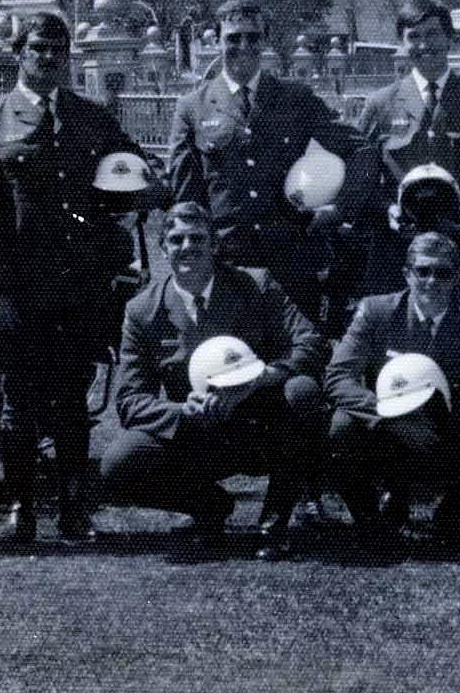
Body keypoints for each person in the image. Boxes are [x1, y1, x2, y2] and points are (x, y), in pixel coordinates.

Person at [0, 11, 145, 544]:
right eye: (37, 47)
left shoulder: (94, 119)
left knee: (71, 402)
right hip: (16, 290)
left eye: (57, 49)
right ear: (19, 53)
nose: (47, 57)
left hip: (80, 289)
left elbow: (129, 175)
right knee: (15, 403)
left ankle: (72, 508)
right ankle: (19, 507)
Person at [100, 202, 331, 560]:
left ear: (214, 246)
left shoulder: (255, 284)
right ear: (163, 249)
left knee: (302, 391)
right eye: (176, 239)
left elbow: (311, 342)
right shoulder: (142, 310)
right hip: (195, 432)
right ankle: (209, 507)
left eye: (197, 238)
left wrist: (264, 377)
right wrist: (182, 410)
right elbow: (130, 401)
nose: (187, 246)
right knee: (120, 460)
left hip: (257, 424)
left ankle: (275, 521)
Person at [165, 0, 376, 325]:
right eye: (233, 38)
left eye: (253, 37)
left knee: (299, 360)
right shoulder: (192, 106)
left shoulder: (295, 98)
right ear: (216, 40)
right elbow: (186, 195)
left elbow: (361, 150)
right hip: (228, 264)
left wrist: (340, 208)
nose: (244, 46)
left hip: (291, 259)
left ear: (265, 40)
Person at [324, 232, 460, 546]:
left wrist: (442, 422)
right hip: (386, 427)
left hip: (448, 431)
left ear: (458, 276)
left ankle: (458, 496)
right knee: (341, 426)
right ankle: (370, 518)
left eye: (443, 272)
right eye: (422, 271)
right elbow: (338, 377)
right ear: (407, 273)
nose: (432, 281)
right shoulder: (375, 312)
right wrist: (392, 417)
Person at [353, 0, 460, 321]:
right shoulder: (380, 105)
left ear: (449, 37)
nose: (424, 45)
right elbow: (360, 181)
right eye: (413, 36)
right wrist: (386, 209)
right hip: (398, 259)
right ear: (401, 43)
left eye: (432, 34)